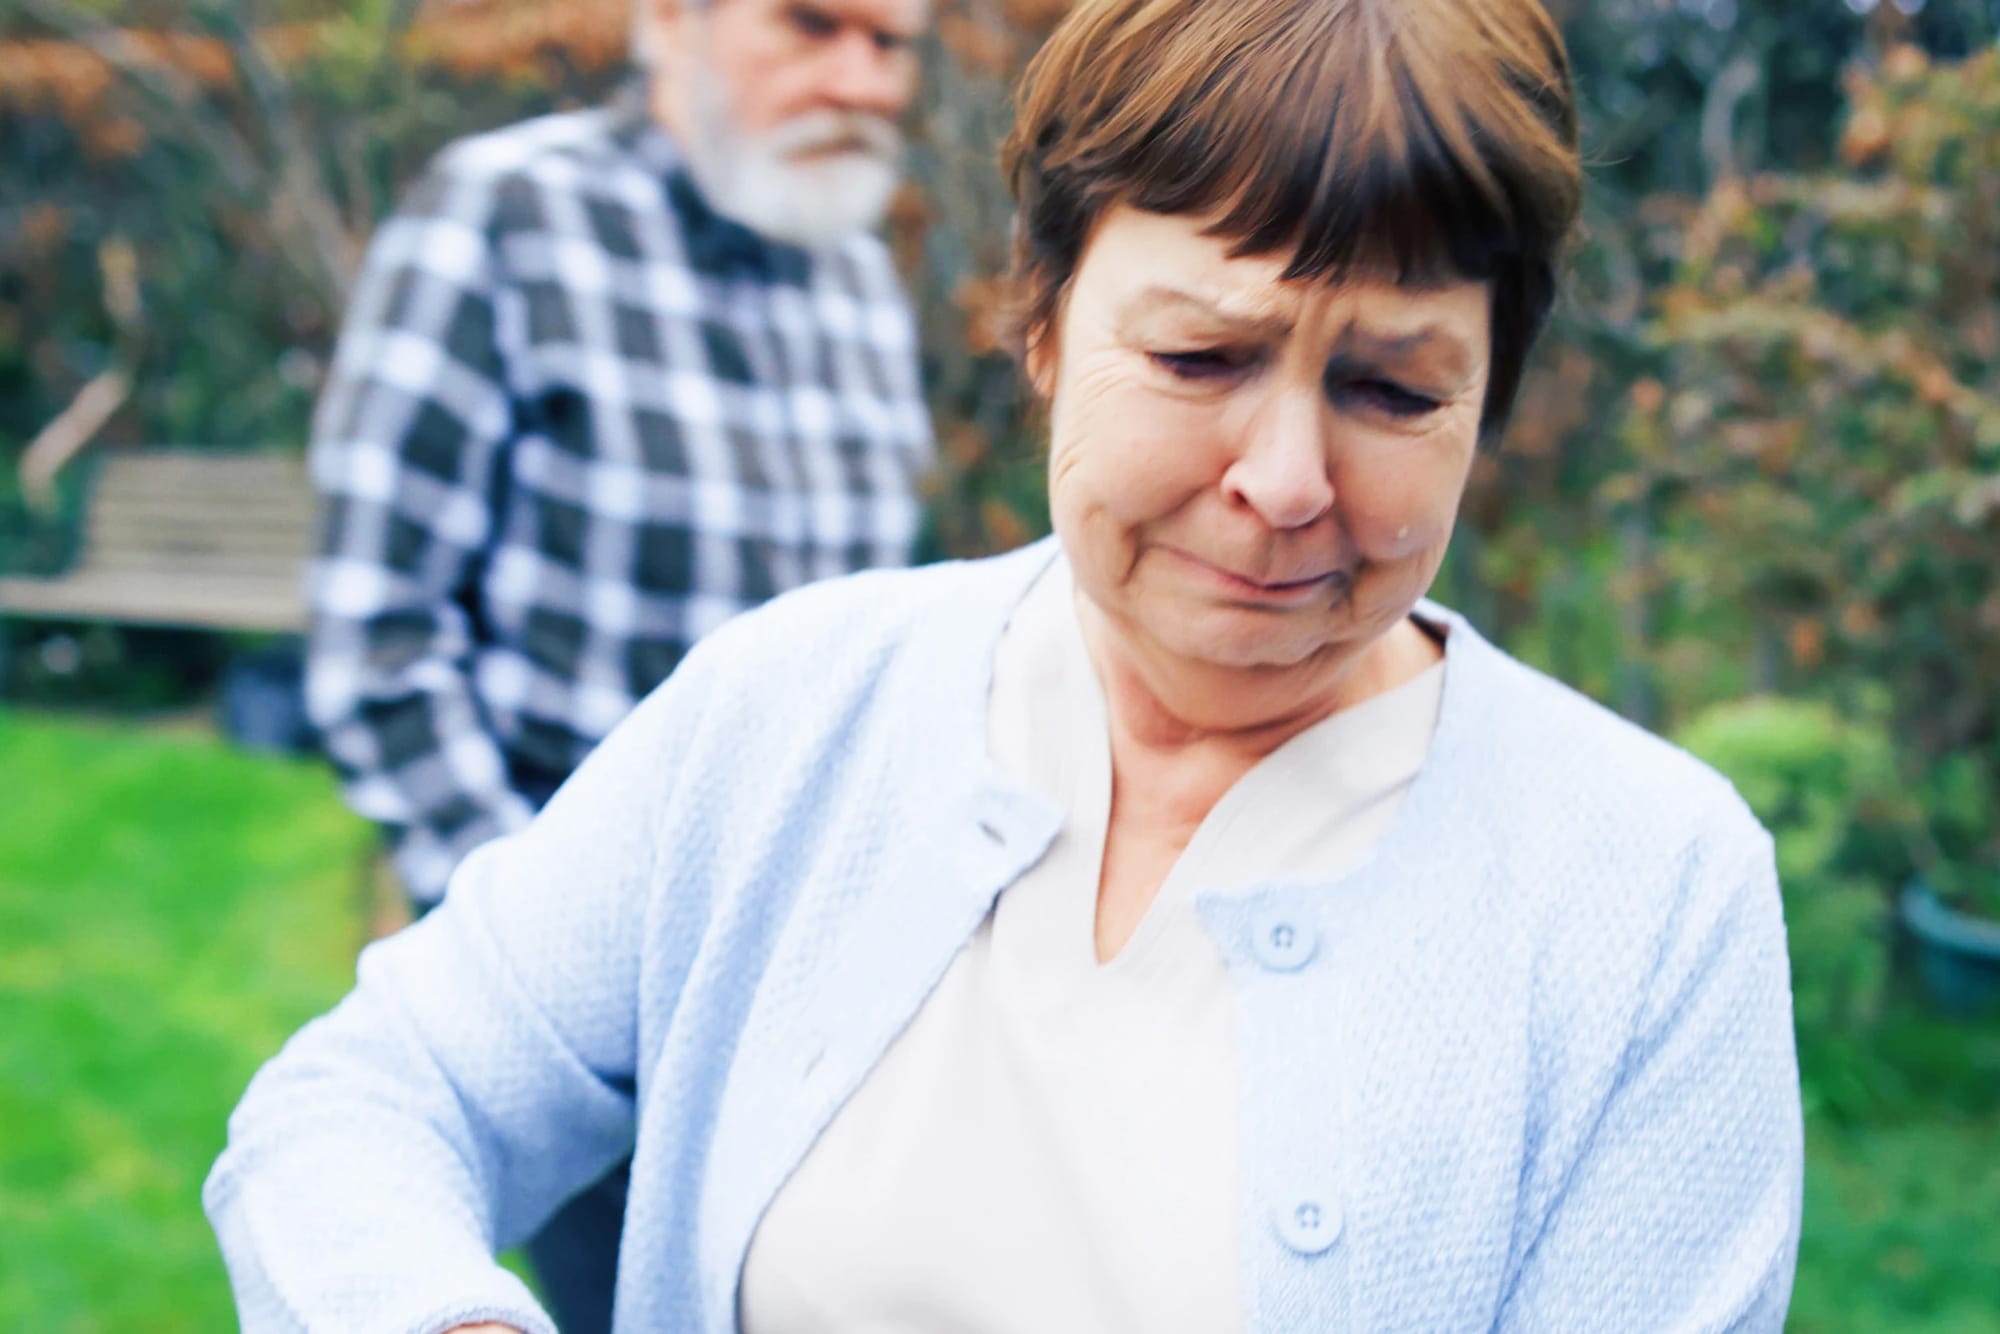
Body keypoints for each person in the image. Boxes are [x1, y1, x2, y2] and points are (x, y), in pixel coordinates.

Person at [212, 0, 1804, 1328]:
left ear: (1490, 403)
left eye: (1393, 391)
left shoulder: (1651, 902)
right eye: (1200, 356)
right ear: (1041, 323)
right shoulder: (790, 702)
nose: (1286, 479)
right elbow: (360, 1102)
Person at [296, 0, 933, 1327]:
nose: (861, 78)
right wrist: (529, 939)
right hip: (582, 978)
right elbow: (379, 625)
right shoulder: (505, 217)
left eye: (894, 45)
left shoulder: (860, 278)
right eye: (814, 27)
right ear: (668, 27)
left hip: (810, 987)